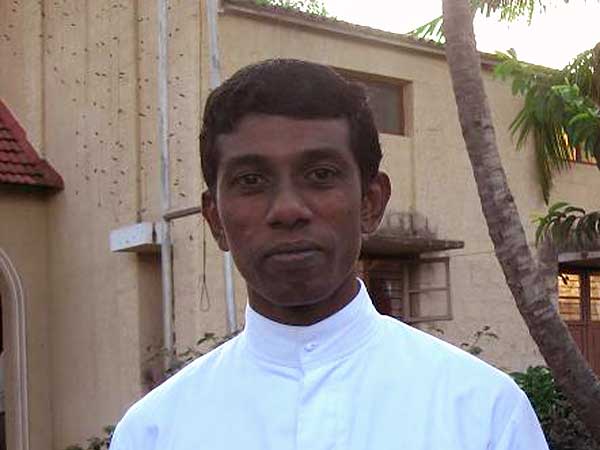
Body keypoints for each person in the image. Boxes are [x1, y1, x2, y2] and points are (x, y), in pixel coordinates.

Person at [109, 59, 548, 450]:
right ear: (215, 219)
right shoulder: (153, 432)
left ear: (371, 202)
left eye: (320, 174)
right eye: (251, 180)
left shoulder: (483, 412)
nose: (287, 210)